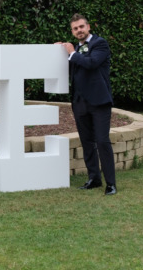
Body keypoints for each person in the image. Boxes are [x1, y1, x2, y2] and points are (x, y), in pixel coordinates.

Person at [57, 13, 117, 196]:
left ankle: (111, 184)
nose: (79, 31)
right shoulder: (75, 48)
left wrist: (72, 53)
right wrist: (58, 51)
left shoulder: (100, 44)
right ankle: (94, 179)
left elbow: (91, 63)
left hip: (99, 102)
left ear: (88, 27)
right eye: (75, 28)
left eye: (81, 27)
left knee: (102, 141)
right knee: (87, 142)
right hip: (80, 102)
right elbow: (70, 68)